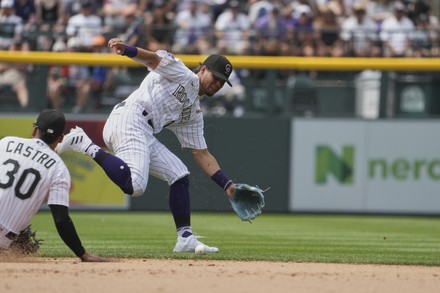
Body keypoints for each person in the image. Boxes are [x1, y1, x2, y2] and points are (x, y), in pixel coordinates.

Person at [56, 37, 238, 253]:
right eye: (215, 77)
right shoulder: (183, 74)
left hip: (144, 131)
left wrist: (227, 185)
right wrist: (127, 50)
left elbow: (202, 154)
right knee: (136, 186)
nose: (216, 84)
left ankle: (185, 238)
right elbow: (152, 59)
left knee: (179, 174)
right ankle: (85, 144)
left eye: (221, 82)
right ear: (203, 69)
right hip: (129, 118)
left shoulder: (194, 113)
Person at [0, 109, 109, 262]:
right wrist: (82, 254)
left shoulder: (6, 142)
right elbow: (61, 220)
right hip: (2, 238)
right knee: (20, 239)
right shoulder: (59, 168)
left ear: (34, 130)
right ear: (60, 139)